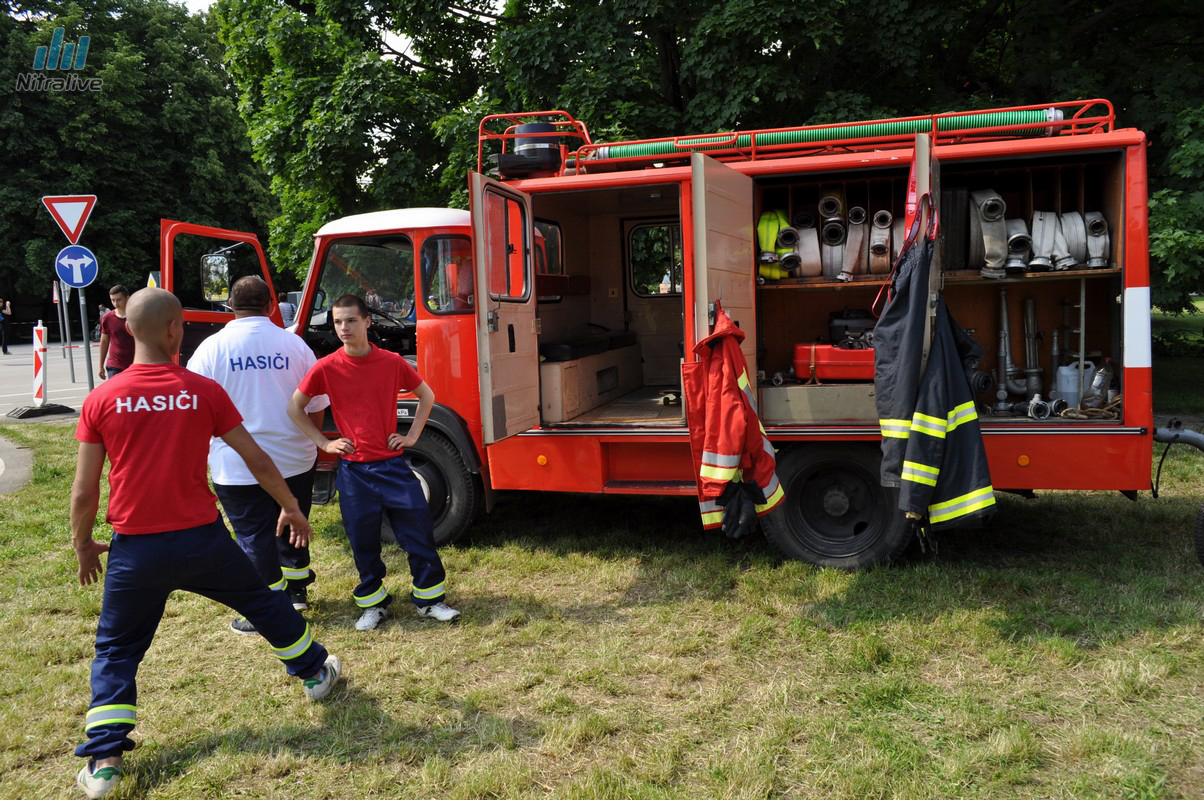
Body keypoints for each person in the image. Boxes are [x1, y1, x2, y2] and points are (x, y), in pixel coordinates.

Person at [70, 288, 341, 799]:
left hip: (135, 549)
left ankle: (104, 761)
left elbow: (84, 490)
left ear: (127, 329)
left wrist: (83, 544)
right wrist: (288, 505)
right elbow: (258, 459)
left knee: (117, 648)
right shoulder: (201, 392)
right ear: (176, 330)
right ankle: (315, 673)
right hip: (202, 540)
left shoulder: (101, 398)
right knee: (262, 603)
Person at [287, 293, 460, 631]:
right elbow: (295, 407)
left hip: (393, 466)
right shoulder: (326, 366)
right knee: (363, 542)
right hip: (353, 471)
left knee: (419, 534)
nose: (343, 327)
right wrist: (324, 441)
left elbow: (427, 397)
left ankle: (430, 601)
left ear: (366, 322)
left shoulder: (392, 362)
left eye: (350, 320)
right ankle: (373, 605)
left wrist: (411, 438)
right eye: (337, 322)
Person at [188, 276, 328, 630]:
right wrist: (310, 442)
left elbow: (196, 410)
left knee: (253, 534)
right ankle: (296, 591)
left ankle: (268, 605)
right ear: (271, 306)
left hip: (237, 464)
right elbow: (317, 405)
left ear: (229, 308)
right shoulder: (295, 347)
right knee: (294, 522)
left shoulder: (210, 349)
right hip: (294, 456)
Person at [97, 285, 134, 379]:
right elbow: (104, 342)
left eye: (119, 299)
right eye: (113, 300)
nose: (116, 303)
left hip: (135, 365)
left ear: (127, 298)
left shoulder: (137, 316)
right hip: (115, 365)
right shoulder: (107, 318)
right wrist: (100, 366)